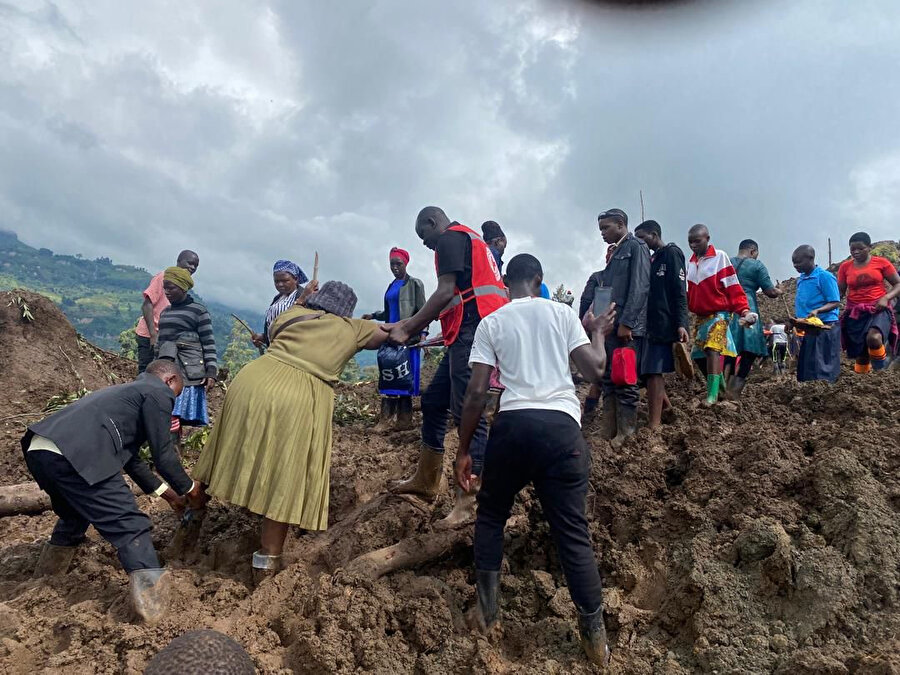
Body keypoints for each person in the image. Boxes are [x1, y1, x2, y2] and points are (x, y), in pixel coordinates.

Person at [453, 254, 616, 667]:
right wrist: (597, 332)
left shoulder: (492, 322)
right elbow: (595, 370)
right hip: (562, 432)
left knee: (492, 516)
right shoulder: (562, 314)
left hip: (512, 428)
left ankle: (487, 612)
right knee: (572, 532)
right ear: (539, 280)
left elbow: (476, 394)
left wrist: (464, 450)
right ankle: (594, 640)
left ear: (507, 283)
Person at [193, 282, 395, 582]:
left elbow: (290, 314)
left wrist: (304, 296)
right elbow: (397, 332)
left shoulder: (289, 314)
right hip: (298, 397)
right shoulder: (353, 328)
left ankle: (190, 511)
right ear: (346, 310)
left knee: (227, 448)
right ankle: (266, 565)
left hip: (251, 384)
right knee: (285, 477)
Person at [21, 360, 205, 622]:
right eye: (177, 393)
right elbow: (163, 456)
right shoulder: (158, 391)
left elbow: (131, 461)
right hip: (80, 454)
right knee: (131, 525)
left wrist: (170, 496)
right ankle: (154, 610)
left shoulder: (124, 394)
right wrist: (190, 489)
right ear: (170, 381)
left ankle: (47, 577)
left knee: (74, 514)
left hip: (41, 449)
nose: (173, 400)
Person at [386, 207, 508, 528]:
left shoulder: (450, 239)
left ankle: (469, 503)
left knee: (470, 413)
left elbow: (444, 292)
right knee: (433, 401)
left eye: (423, 234)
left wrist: (408, 326)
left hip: (474, 331)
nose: (424, 243)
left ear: (433, 223)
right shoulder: (469, 239)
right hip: (466, 331)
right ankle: (426, 480)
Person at [595, 208, 650, 446]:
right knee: (609, 377)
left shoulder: (636, 247)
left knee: (626, 378)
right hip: (611, 325)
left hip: (628, 328)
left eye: (605, 228)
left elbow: (640, 286)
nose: (602, 233)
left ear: (620, 224)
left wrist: (627, 323)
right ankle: (608, 429)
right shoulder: (616, 251)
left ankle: (626, 433)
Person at [686, 225, 756, 405]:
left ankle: (712, 395)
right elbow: (690, 293)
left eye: (697, 241)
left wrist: (744, 311)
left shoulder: (720, 257)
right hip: (701, 317)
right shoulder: (691, 263)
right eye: (690, 242)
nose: (693, 245)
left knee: (712, 349)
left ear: (707, 239)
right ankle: (722, 389)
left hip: (719, 314)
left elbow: (733, 287)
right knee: (698, 356)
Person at [362, 247, 427, 430]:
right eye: (392, 264)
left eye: (398, 263)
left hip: (408, 338)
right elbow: (390, 311)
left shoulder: (415, 284)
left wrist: (423, 336)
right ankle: (386, 420)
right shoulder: (392, 286)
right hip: (391, 337)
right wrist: (374, 315)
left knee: (405, 378)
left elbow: (423, 312)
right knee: (389, 376)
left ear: (406, 263)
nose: (395, 267)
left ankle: (404, 421)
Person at [633, 220, 689, 429]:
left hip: (663, 322)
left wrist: (682, 323)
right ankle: (667, 411)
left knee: (654, 371)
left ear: (654, 235)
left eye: (642, 238)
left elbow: (679, 291)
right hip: (647, 324)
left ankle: (654, 425)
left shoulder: (671, 254)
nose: (640, 243)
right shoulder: (650, 259)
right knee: (645, 372)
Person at [156, 267, 217, 441]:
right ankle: (171, 449)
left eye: (171, 288)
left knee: (174, 416)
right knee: (167, 415)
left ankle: (173, 450)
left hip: (188, 373)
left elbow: (208, 342)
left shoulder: (198, 311)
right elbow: (159, 345)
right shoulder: (165, 313)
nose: (167, 292)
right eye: (165, 288)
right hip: (166, 372)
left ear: (183, 287)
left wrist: (211, 372)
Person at [725, 240, 782, 397]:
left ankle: (722, 387)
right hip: (747, 306)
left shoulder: (727, 262)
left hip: (728, 308)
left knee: (729, 350)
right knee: (750, 350)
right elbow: (770, 291)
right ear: (753, 251)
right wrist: (780, 291)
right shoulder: (757, 265)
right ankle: (733, 391)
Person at [837, 232, 900, 372]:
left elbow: (898, 284)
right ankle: (863, 380)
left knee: (874, 338)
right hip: (855, 312)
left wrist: (886, 298)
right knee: (861, 354)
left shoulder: (882, 263)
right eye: (852, 249)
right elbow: (840, 293)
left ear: (869, 247)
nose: (856, 252)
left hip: (878, 309)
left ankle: (880, 373)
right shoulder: (845, 267)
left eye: (860, 248)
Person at [135, 250, 199, 375]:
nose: (192, 267)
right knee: (146, 373)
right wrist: (153, 335)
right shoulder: (163, 277)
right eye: (190, 263)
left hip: (167, 339)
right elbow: (147, 305)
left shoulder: (183, 284)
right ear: (179, 261)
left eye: (195, 266)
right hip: (149, 335)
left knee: (162, 374)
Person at [251, 260, 316, 350]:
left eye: (285, 281)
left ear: (296, 279)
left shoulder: (305, 298)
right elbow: (277, 328)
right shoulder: (278, 299)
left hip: (291, 351)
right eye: (276, 281)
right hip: (275, 350)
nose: (280, 284)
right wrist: (264, 337)